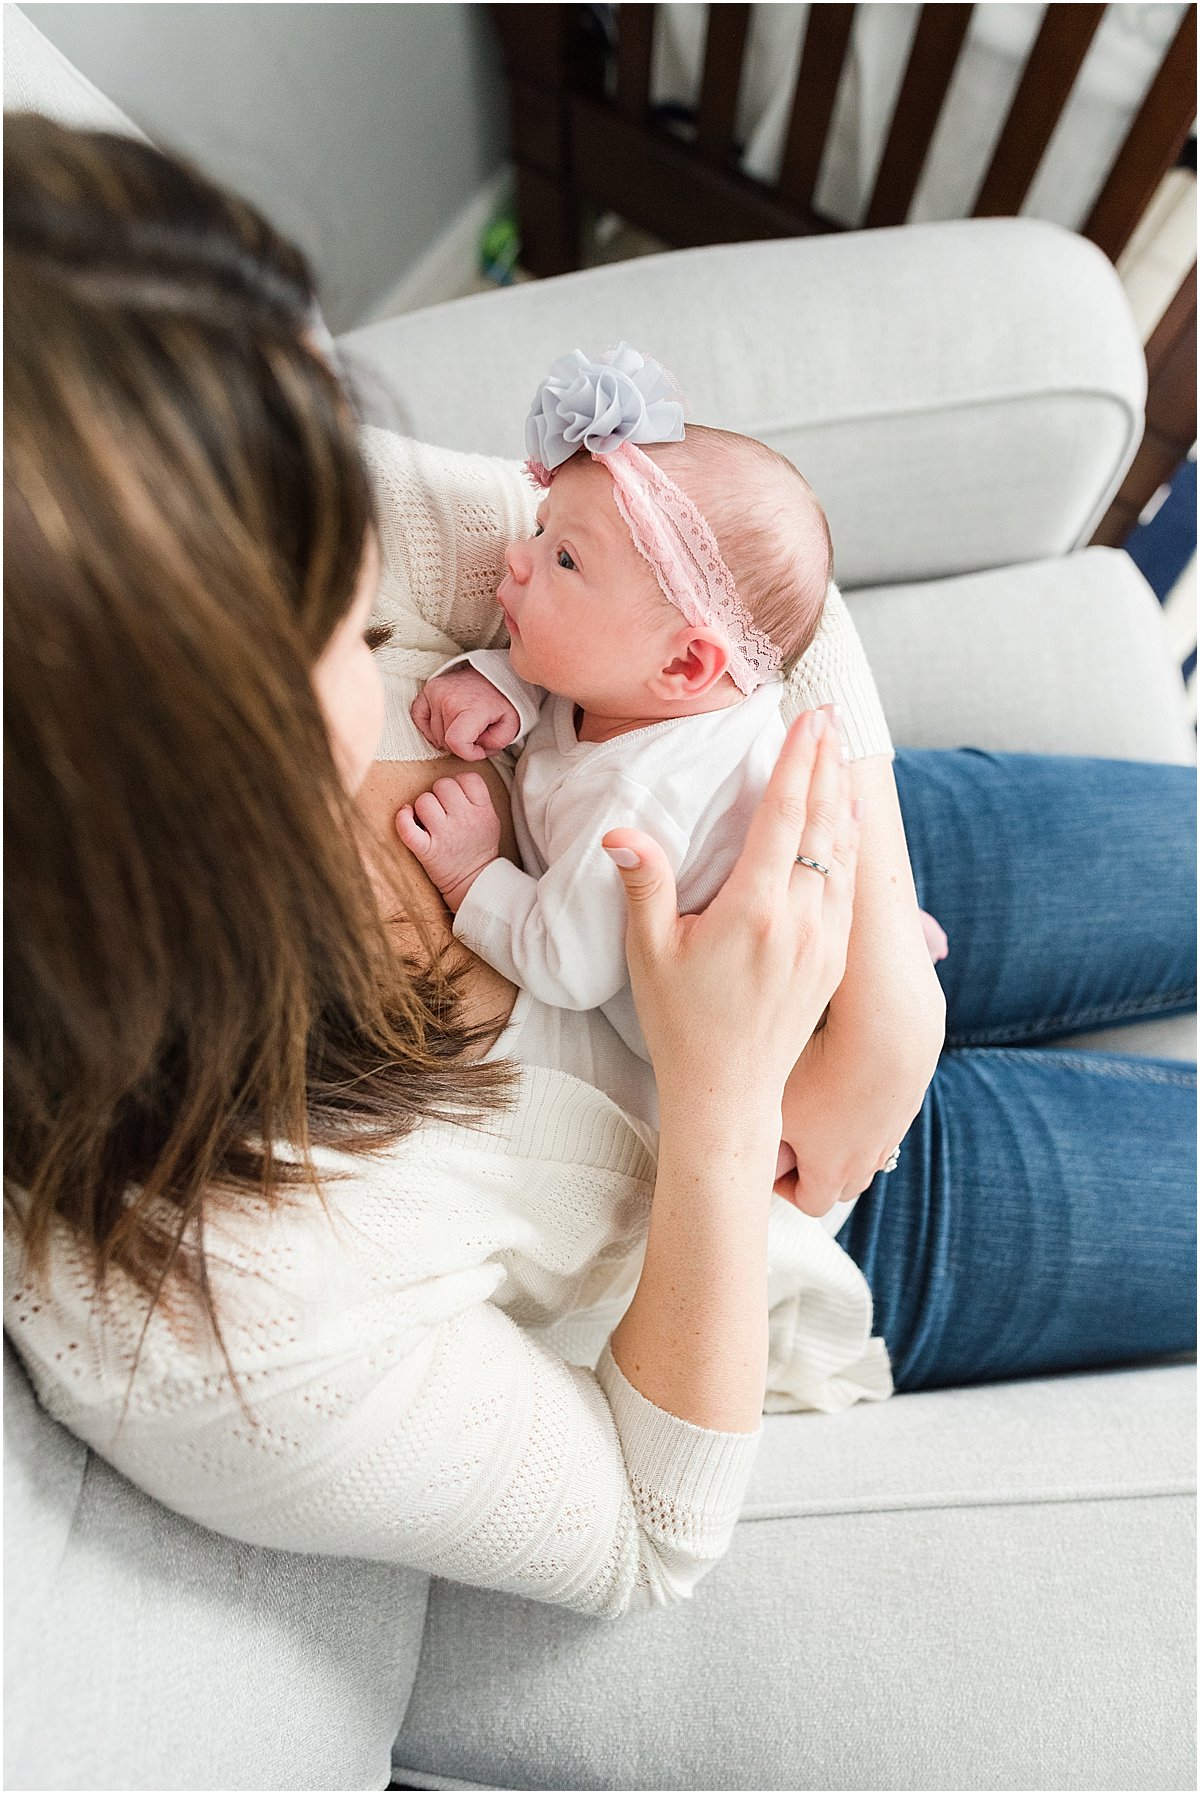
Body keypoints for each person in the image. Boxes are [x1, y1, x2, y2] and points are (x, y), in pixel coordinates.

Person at [5, 119, 1194, 1621]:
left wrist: (888, 990)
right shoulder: (194, 1316)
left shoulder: (186, 455)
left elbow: (741, 594)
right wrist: (722, 1103)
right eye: (334, 628)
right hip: (776, 1206)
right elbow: (644, 1530)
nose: (371, 615)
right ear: (139, 794)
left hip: (819, 842)